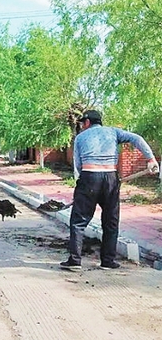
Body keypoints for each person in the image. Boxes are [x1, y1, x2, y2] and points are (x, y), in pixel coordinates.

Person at [60, 110, 159, 271]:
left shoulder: (80, 137)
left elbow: (77, 164)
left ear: (87, 123)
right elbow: (137, 138)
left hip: (89, 176)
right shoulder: (114, 132)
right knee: (111, 221)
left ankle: (75, 261)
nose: (82, 126)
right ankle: (108, 261)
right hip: (111, 179)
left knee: (78, 222)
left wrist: (82, 183)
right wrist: (151, 159)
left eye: (82, 124)